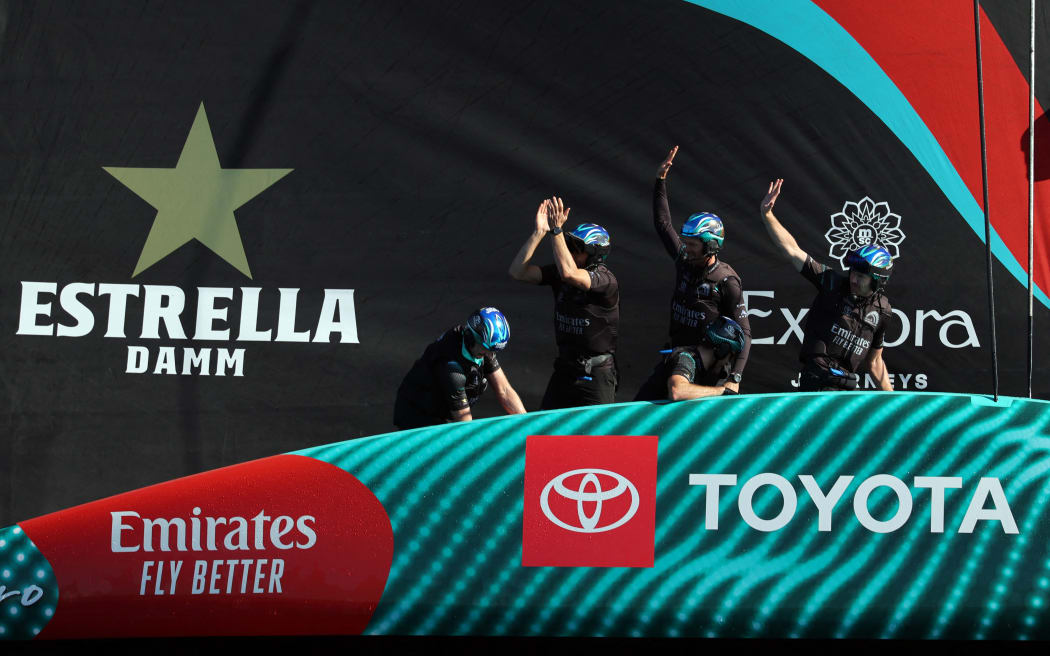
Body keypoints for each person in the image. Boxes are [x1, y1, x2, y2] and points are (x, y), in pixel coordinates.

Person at [634, 145, 752, 400]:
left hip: (706, 366)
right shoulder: (684, 261)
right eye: (685, 242)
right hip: (679, 357)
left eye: (692, 244)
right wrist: (660, 180)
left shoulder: (726, 280)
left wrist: (735, 379)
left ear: (710, 246)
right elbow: (663, 224)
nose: (685, 248)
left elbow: (746, 333)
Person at [758, 178, 894, 391]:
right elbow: (793, 251)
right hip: (816, 382)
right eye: (853, 273)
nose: (853, 279)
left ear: (878, 281)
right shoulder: (831, 283)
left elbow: (875, 362)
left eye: (862, 277)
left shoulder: (883, 311)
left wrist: (893, 399)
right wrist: (767, 216)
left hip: (846, 390)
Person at [508, 197, 619, 409]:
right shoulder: (558, 274)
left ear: (594, 255)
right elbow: (517, 272)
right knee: (547, 435)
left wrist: (557, 231)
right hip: (565, 369)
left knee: (600, 438)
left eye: (576, 247)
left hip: (597, 374)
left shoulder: (605, 280)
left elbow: (570, 274)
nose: (569, 250)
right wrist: (539, 233)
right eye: (569, 244)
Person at [393, 307, 527, 429]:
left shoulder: (482, 347)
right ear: (471, 337)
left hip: (445, 410)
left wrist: (528, 425)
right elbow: (464, 422)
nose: (491, 355)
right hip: (419, 417)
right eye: (487, 350)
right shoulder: (452, 368)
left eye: (493, 351)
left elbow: (504, 390)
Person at [634, 316, 747, 401]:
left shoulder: (718, 371)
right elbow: (677, 391)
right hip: (640, 427)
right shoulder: (685, 357)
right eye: (730, 356)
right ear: (722, 350)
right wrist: (722, 391)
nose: (728, 363)